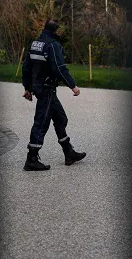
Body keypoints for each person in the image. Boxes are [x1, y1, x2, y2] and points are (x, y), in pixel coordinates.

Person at [21, 19, 86, 171]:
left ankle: (68, 152)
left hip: (39, 87)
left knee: (60, 118)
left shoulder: (34, 43)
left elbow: (26, 67)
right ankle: (31, 159)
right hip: (46, 89)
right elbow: (59, 68)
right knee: (41, 122)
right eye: (59, 30)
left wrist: (27, 88)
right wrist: (73, 86)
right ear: (56, 31)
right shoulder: (53, 45)